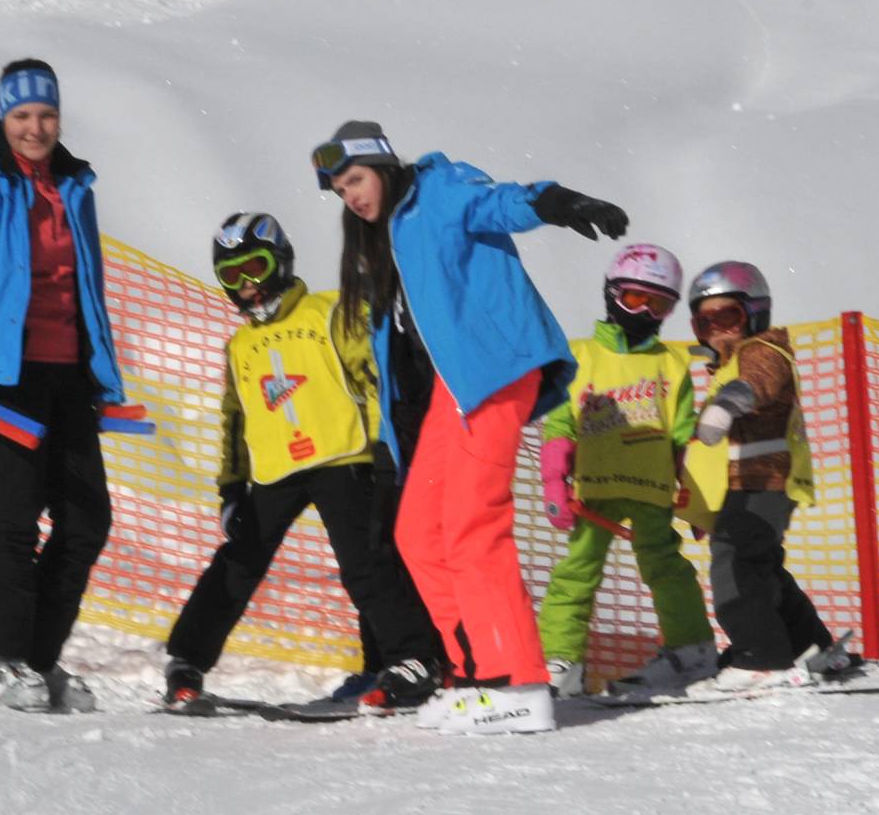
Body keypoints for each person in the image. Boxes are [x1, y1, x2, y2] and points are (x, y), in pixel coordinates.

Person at [313, 119, 629, 735]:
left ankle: (517, 681)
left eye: (355, 180)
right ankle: (472, 673)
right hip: (450, 392)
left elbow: (500, 203)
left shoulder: (439, 190)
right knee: (418, 531)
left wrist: (559, 202)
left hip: (495, 368)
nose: (350, 197)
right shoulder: (386, 242)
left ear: (383, 166)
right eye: (341, 190)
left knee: (470, 522)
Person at [163, 213, 443, 712]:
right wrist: (232, 487)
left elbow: (373, 379)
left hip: (343, 457)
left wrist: (384, 451)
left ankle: (413, 660)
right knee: (239, 563)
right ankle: (186, 660)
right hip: (274, 472)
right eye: (232, 275)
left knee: (365, 564)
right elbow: (235, 418)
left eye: (254, 267)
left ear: (280, 262)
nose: (247, 285)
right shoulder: (240, 345)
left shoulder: (330, 312)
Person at [0, 58, 125, 713]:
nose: (35, 128)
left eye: (46, 115)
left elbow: (88, 287)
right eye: (22, 115)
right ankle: (2, 658)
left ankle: (37, 659)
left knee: (87, 521)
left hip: (69, 373)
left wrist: (102, 374)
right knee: (14, 518)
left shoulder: (74, 185)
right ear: (2, 117)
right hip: (0, 377)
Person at [535, 243, 718, 699]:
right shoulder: (580, 355)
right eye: (635, 298)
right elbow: (560, 420)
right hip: (594, 487)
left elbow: (683, 436)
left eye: (659, 304)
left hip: (651, 486)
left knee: (666, 567)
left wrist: (699, 499)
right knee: (578, 570)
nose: (645, 312)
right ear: (611, 294)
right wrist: (555, 477)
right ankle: (560, 660)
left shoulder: (671, 363)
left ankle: (691, 651)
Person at [677, 260, 850, 697]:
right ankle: (808, 645)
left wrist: (724, 405)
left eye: (728, 316)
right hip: (748, 486)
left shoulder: (764, 351)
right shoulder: (728, 364)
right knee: (760, 566)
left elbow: (757, 384)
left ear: (755, 313)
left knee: (736, 565)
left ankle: (761, 658)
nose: (717, 330)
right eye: (704, 322)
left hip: (763, 481)